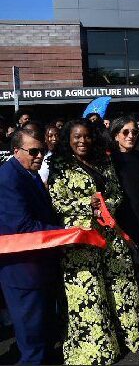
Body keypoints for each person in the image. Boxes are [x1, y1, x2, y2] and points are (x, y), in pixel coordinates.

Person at [48, 119, 139, 364]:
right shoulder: (59, 165)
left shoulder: (103, 161)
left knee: (121, 286)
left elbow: (116, 193)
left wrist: (105, 209)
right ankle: (99, 351)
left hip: (110, 235)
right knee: (89, 294)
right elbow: (56, 201)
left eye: (86, 136)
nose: (82, 141)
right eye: (76, 137)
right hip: (79, 242)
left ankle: (131, 338)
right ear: (68, 139)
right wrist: (86, 206)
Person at [0, 128, 61, 364]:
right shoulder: (7, 178)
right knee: (32, 339)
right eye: (33, 151)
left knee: (42, 334)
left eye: (42, 151)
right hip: (22, 269)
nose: (39, 156)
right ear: (16, 151)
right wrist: (68, 234)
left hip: (38, 265)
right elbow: (23, 226)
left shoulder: (28, 173)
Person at [109, 116, 139, 330]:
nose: (131, 136)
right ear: (116, 135)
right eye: (125, 132)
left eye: (134, 132)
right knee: (127, 271)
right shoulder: (109, 161)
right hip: (120, 222)